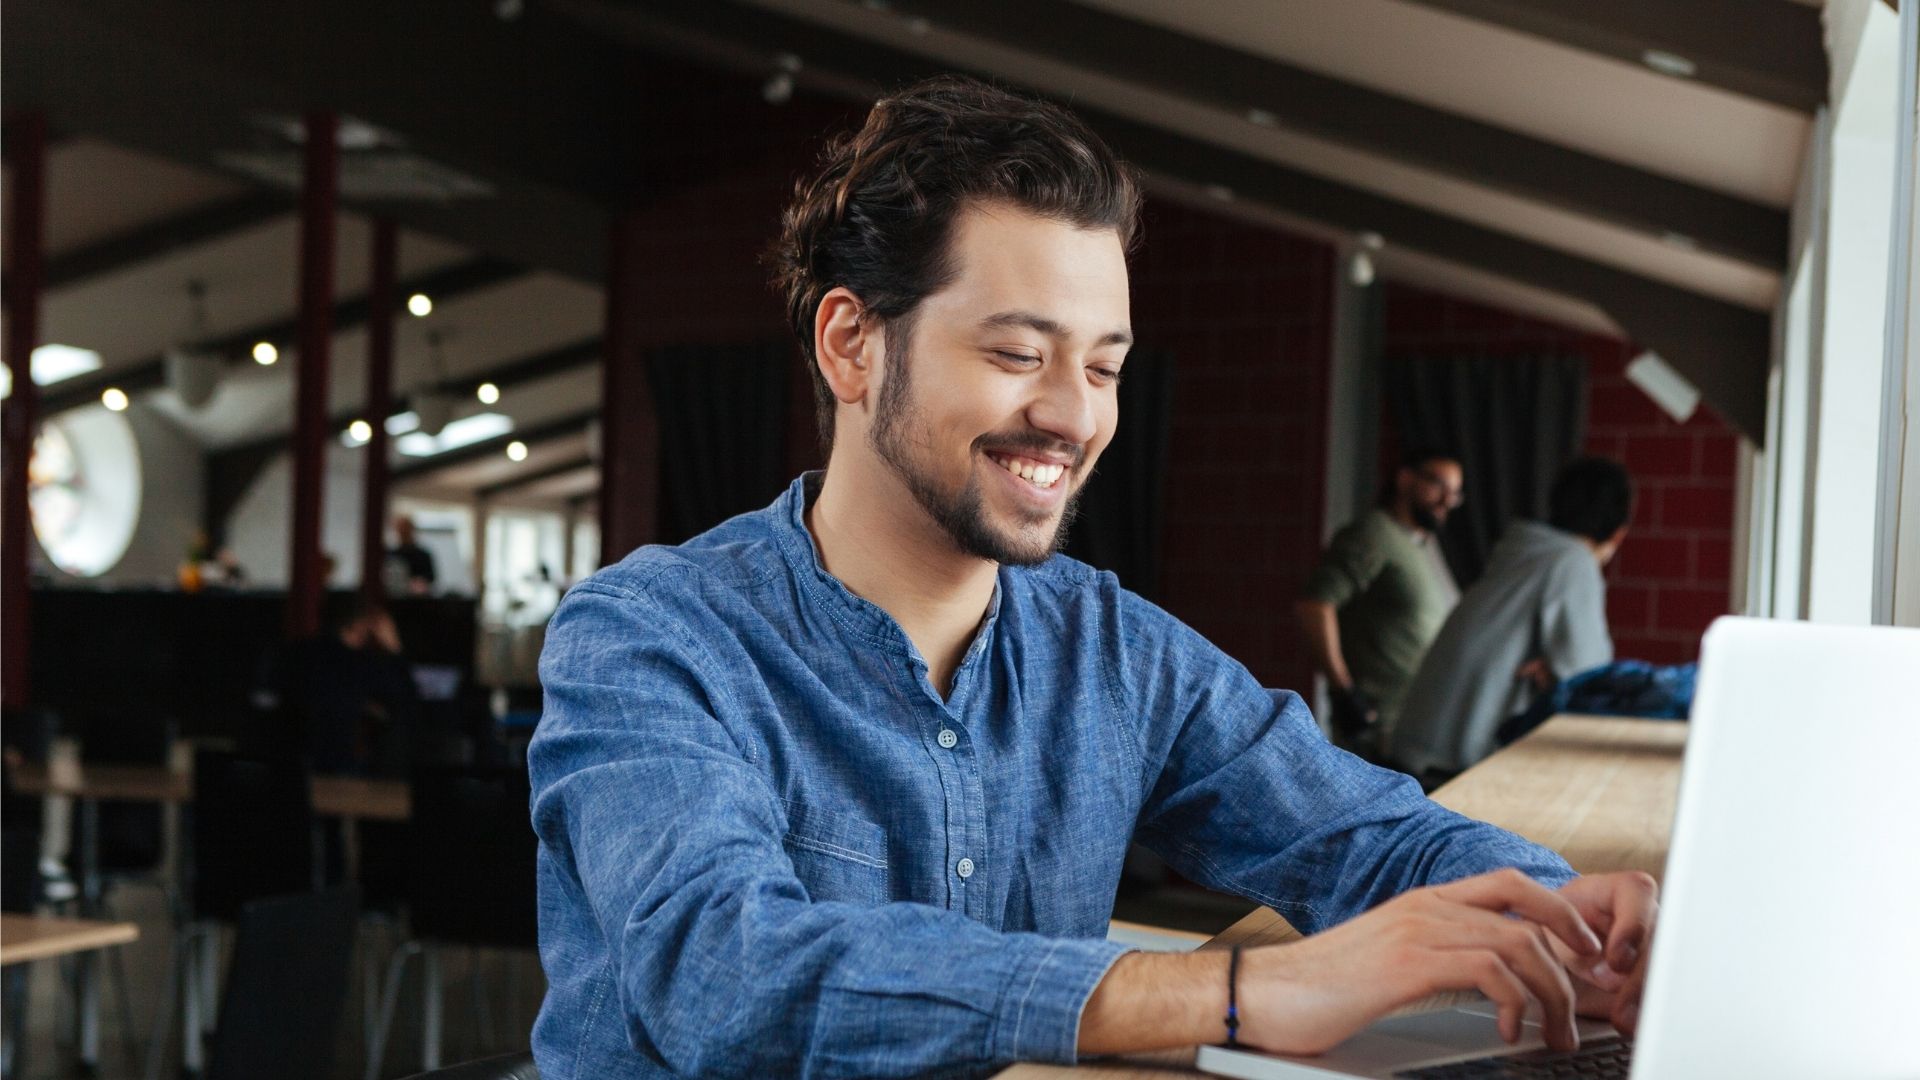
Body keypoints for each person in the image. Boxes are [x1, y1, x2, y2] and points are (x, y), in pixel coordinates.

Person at [529, 77, 1655, 1079]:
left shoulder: (1109, 649)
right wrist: (1239, 995)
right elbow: (721, 974)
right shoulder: (650, 634)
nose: (1072, 415)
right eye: (1017, 354)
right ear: (852, 345)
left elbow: (1366, 835)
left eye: (1104, 366)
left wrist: (1562, 920)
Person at [1386, 457, 1632, 786]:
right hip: (1451, 772)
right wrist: (1560, 678)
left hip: (1418, 751)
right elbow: (1591, 683)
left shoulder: (1523, 550)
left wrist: (1555, 672)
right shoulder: (1572, 561)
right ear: (1618, 533)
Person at [1295, 448, 1463, 755]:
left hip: (1417, 723)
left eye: (1455, 493)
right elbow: (1315, 605)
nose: (1447, 501)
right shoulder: (1373, 534)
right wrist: (1343, 691)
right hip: (1375, 726)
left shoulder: (1423, 543)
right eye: (1438, 485)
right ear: (1405, 479)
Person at [388, 514, 437, 594]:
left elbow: (431, 577)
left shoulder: (423, 555)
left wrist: (420, 583)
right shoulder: (391, 555)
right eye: (401, 529)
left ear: (412, 530)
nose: (403, 532)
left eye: (406, 529)